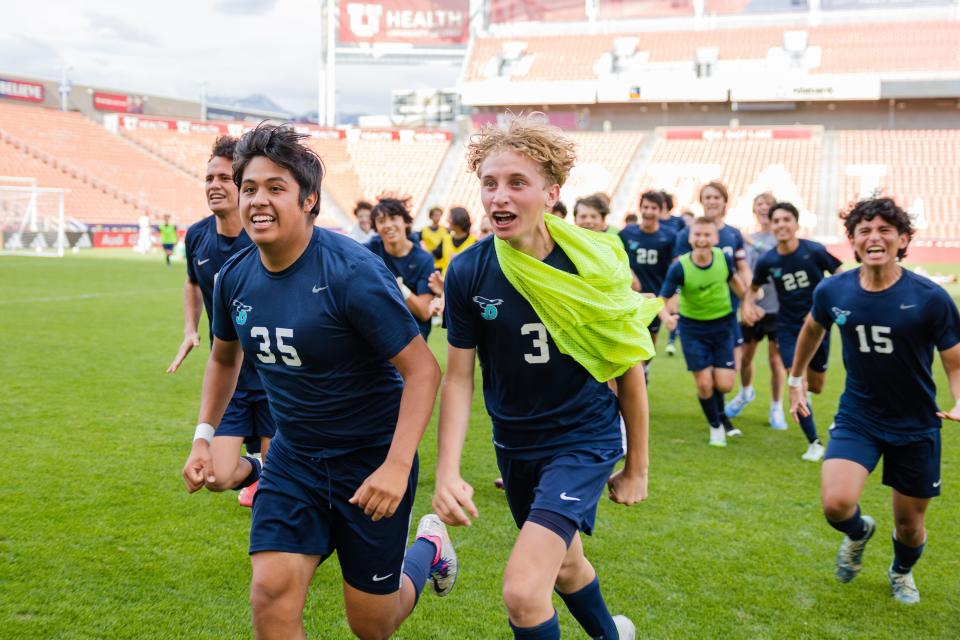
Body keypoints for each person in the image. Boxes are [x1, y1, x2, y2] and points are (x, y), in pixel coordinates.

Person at [181, 124, 456, 638]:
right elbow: (223, 359)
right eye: (250, 189)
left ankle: (429, 552)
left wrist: (397, 468)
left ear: (309, 200)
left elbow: (423, 370)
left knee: (371, 625)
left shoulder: (353, 272)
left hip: (370, 463)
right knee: (269, 596)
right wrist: (203, 436)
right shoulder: (234, 277)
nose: (259, 201)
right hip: (294, 460)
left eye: (276, 188)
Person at [434, 115, 657, 640]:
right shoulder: (468, 271)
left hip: (582, 440)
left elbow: (628, 369)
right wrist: (446, 471)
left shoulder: (591, 264)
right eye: (489, 183)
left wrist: (637, 467)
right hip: (514, 444)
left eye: (517, 183)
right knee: (566, 565)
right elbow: (459, 378)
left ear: (551, 193)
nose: (498, 197)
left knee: (523, 590)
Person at [789, 197, 960, 604]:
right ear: (852, 241)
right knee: (836, 503)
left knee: (909, 525)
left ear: (903, 240)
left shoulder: (931, 298)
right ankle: (859, 531)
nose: (874, 237)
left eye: (885, 229)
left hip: (917, 424)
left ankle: (901, 571)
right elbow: (812, 329)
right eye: (864, 230)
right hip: (859, 416)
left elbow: (954, 362)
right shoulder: (834, 290)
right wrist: (796, 378)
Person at [168, 135, 276, 508]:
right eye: (209, 178)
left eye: (224, 178)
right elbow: (192, 282)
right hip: (230, 377)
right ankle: (260, 467)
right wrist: (189, 330)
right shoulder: (197, 236)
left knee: (280, 491)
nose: (214, 185)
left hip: (274, 378)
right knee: (216, 476)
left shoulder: (266, 236)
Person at [749, 201, 842, 461]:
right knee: (796, 380)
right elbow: (753, 287)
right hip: (788, 329)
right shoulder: (768, 259)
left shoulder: (813, 251)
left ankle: (808, 401)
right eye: (776, 220)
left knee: (817, 386)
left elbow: (839, 275)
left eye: (786, 219)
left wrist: (825, 306)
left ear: (796, 223)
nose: (780, 225)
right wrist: (748, 304)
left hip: (819, 327)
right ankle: (814, 442)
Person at [659, 217, 754, 447]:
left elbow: (734, 281)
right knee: (704, 384)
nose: (702, 239)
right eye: (697, 235)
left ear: (716, 238)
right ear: (690, 238)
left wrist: (748, 303)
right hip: (693, 329)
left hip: (722, 326)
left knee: (724, 385)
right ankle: (716, 427)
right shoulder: (680, 266)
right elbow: (662, 299)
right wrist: (667, 318)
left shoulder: (722, 257)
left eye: (706, 235)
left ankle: (720, 416)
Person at [673, 182, 751, 382]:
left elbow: (741, 267)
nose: (712, 201)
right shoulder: (688, 235)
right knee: (708, 375)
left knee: (730, 371)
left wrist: (749, 296)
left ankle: (723, 401)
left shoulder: (734, 234)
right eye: (707, 197)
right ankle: (717, 410)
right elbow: (678, 270)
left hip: (729, 308)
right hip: (699, 311)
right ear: (701, 201)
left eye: (717, 197)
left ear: (725, 201)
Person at [725, 193, 788, 431]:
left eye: (767, 205)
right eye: (759, 204)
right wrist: (746, 303)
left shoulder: (780, 238)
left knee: (776, 360)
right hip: (754, 307)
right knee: (746, 357)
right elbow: (742, 271)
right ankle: (745, 393)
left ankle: (776, 408)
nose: (763, 208)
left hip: (777, 308)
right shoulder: (746, 240)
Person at [365, 197, 437, 340]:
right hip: (379, 326)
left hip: (413, 330)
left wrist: (400, 289)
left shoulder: (424, 259)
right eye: (381, 221)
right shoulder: (369, 251)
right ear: (376, 227)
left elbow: (424, 311)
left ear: (405, 221)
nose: (388, 225)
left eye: (393, 218)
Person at [619, 190, 676, 360]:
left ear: (661, 210)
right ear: (640, 208)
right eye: (645, 207)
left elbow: (674, 269)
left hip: (657, 299)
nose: (649, 212)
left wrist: (672, 296)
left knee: (649, 346)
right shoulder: (626, 234)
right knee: (628, 343)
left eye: (653, 208)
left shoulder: (669, 236)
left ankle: (646, 371)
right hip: (631, 297)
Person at [435, 206, 477, 274]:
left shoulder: (474, 243)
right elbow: (434, 257)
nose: (447, 220)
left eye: (450, 217)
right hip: (444, 281)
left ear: (458, 219)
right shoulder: (445, 239)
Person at [419, 205, 449, 270]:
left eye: (439, 215)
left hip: (442, 264)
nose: (437, 217)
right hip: (428, 262)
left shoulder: (445, 230)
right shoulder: (424, 230)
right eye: (435, 215)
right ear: (431, 216)